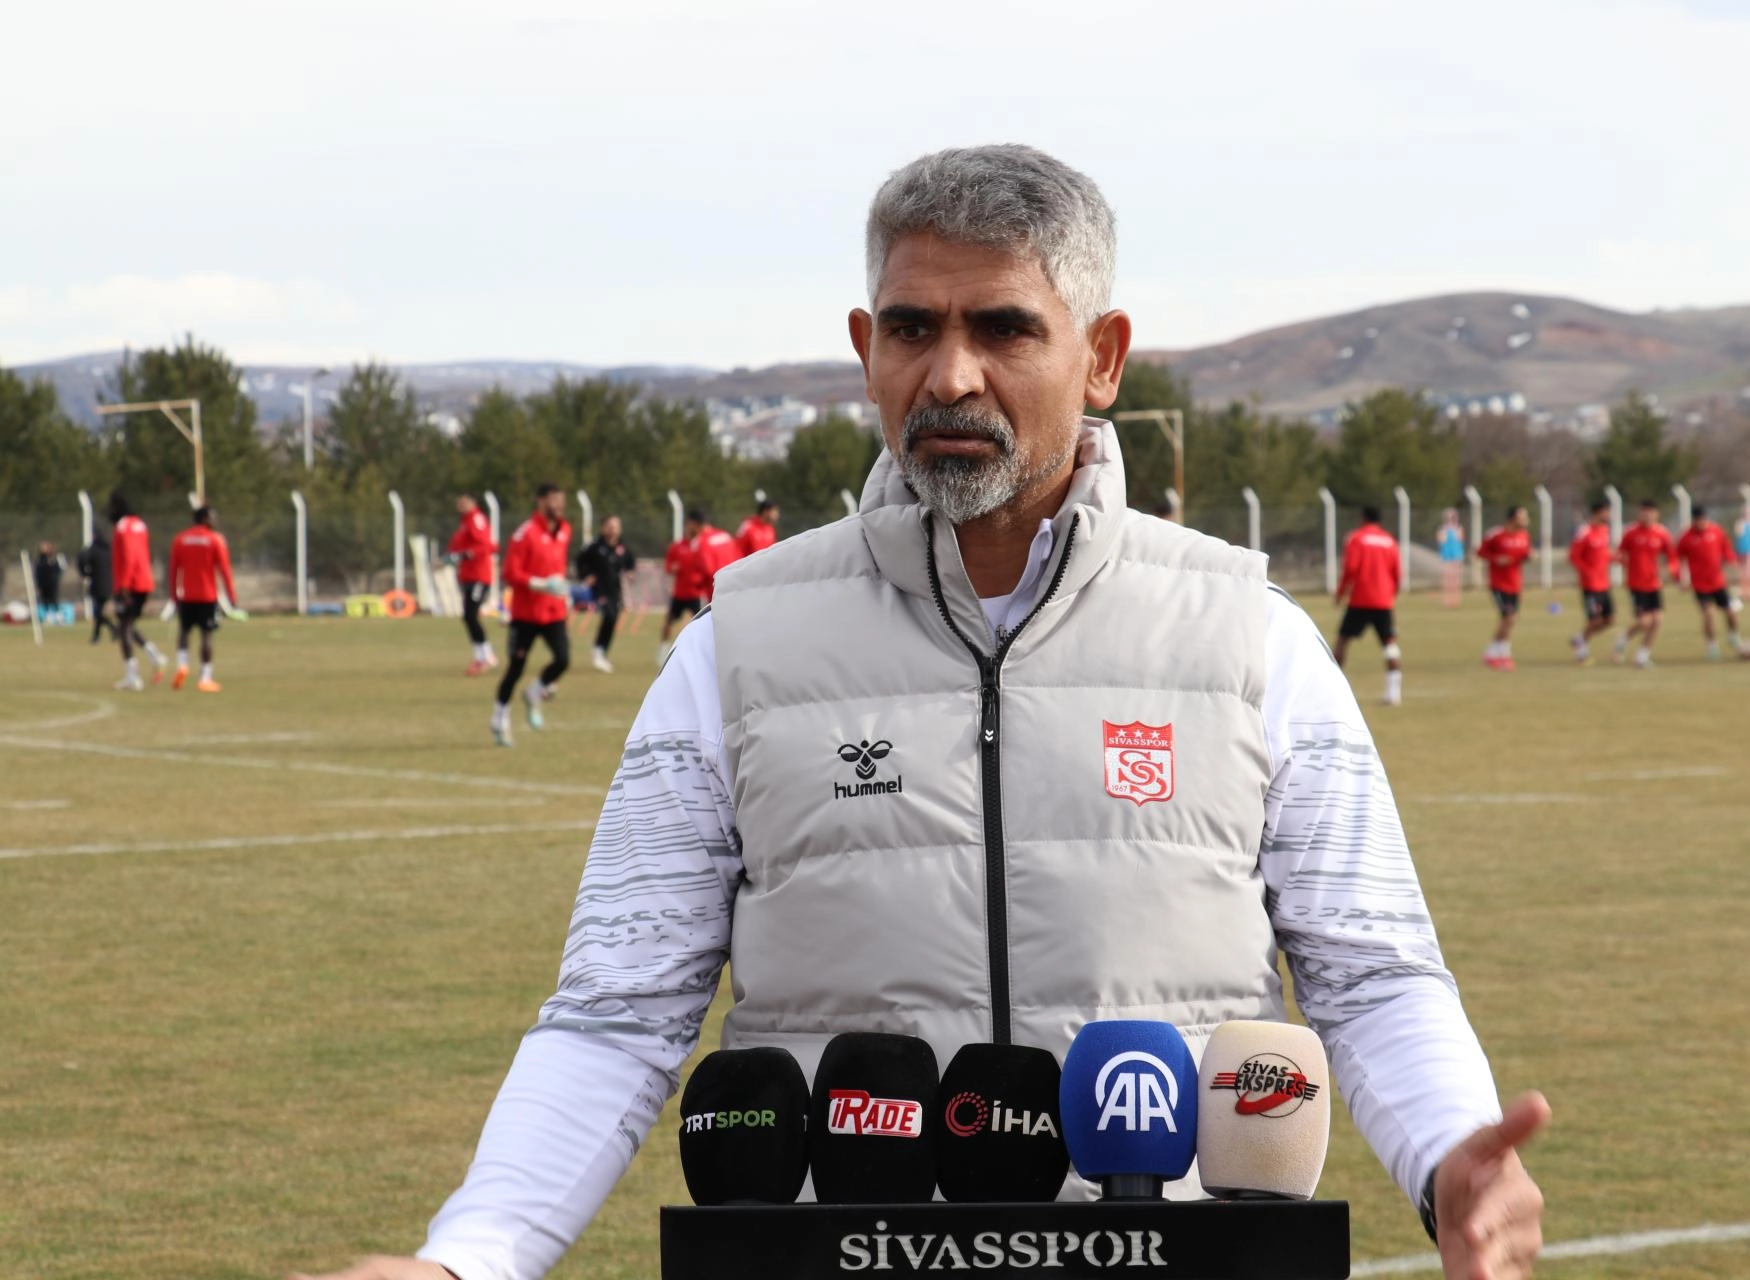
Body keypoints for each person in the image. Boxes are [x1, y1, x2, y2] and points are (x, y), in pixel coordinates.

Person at [295, 144, 1545, 1280]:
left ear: (1102, 356)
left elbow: (1374, 975)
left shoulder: (1250, 638)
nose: (950, 375)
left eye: (1004, 328)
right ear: (865, 348)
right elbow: (616, 1010)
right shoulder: (734, 648)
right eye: (911, 327)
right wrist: (467, 1257)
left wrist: (1451, 1156)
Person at [491, 485, 573, 746]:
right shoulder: (524, 534)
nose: (558, 505)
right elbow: (510, 573)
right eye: (553, 500)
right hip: (526, 614)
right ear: (540, 501)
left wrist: (562, 590)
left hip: (553, 611)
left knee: (563, 659)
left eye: (561, 501)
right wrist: (540, 583)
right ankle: (499, 719)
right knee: (515, 669)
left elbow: (558, 566)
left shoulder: (565, 530)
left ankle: (534, 692)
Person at [1333, 504, 1404, 705]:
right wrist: (1391, 595)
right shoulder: (1389, 541)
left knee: (1343, 641)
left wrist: (1341, 593)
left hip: (1360, 598)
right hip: (1383, 601)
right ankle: (1394, 693)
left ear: (1363, 518)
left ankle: (1332, 688)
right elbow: (1397, 573)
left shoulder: (1356, 538)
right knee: (1389, 643)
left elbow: (1350, 568)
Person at [166, 507, 237, 693]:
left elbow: (173, 569)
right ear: (205, 518)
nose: (216, 521)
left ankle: (182, 665)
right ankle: (205, 677)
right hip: (207, 595)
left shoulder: (180, 539)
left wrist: (174, 594)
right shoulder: (215, 539)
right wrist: (232, 596)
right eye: (213, 517)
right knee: (207, 635)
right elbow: (225, 570)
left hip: (186, 595)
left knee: (184, 631)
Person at [1675, 506, 1750, 661]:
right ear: (1694, 520)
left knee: (1731, 612)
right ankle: (1712, 646)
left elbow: (1726, 549)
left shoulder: (1716, 531)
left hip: (1718, 582)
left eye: (1703, 520)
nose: (1701, 523)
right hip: (1700, 585)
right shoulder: (1687, 537)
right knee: (1709, 614)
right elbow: (1678, 558)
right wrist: (1680, 578)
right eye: (1698, 520)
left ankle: (1733, 636)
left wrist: (1732, 562)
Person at [107, 492, 168, 690]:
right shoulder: (140, 524)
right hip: (144, 581)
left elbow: (129, 556)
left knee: (124, 627)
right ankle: (155, 656)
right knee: (128, 623)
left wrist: (124, 585)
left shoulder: (122, 527)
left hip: (130, 584)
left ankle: (132, 676)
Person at [1615, 499, 1677, 668]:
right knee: (1644, 622)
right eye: (1644, 512)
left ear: (1657, 514)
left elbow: (1671, 556)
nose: (1647, 515)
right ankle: (1624, 638)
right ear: (1639, 513)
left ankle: (1642, 655)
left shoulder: (1662, 533)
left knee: (1657, 620)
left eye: (1650, 512)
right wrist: (1625, 563)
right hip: (1636, 584)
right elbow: (1620, 553)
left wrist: (1670, 569)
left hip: (1654, 584)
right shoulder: (1630, 532)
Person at [575, 514, 635, 673]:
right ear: (603, 528)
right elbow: (580, 561)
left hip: (615, 590)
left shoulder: (622, 548)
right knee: (609, 615)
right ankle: (598, 651)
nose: (613, 530)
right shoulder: (595, 547)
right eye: (610, 526)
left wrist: (630, 573)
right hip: (599, 589)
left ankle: (600, 651)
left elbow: (630, 563)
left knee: (613, 618)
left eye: (616, 527)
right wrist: (586, 575)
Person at [447, 494, 499, 676]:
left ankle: (487, 656)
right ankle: (481, 656)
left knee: (470, 615)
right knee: (468, 617)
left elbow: (487, 546)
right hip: (467, 575)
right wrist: (448, 557)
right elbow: (457, 546)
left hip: (479, 575)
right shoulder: (465, 523)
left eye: (465, 502)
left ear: (473, 503)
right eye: (459, 503)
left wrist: (466, 554)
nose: (461, 505)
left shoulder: (476, 519)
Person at [1475, 505, 1531, 670]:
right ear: (1513, 518)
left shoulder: (1524, 536)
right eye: (1523, 517)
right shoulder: (1496, 534)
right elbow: (1480, 552)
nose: (1526, 520)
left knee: (1508, 621)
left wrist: (1528, 556)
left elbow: (1524, 555)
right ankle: (1504, 654)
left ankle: (1491, 652)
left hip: (1515, 584)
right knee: (1509, 618)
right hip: (1499, 584)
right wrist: (1496, 559)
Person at [658, 510, 713, 666]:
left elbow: (707, 568)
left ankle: (696, 653)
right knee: (668, 622)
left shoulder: (702, 545)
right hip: (679, 594)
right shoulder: (677, 546)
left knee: (698, 625)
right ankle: (662, 649)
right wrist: (673, 568)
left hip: (696, 593)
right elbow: (668, 566)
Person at [1566, 499, 1616, 665]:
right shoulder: (1584, 532)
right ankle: (1581, 652)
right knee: (1594, 620)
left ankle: (1579, 638)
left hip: (1604, 584)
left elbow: (1603, 554)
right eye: (1606, 512)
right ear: (1598, 513)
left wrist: (1615, 558)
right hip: (1590, 585)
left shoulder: (1604, 530)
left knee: (1609, 620)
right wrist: (1587, 572)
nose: (1609, 515)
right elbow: (1573, 557)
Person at [78, 528, 116, 644]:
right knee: (98, 611)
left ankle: (111, 630)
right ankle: (98, 636)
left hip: (98, 585)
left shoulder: (93, 550)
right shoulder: (109, 549)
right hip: (110, 584)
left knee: (97, 612)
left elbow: (81, 559)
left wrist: (85, 573)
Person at [1436, 508, 1465, 608]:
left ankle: (1456, 600)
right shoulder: (1442, 529)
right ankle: (1447, 600)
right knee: (1447, 578)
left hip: (1456, 554)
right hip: (1446, 555)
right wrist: (1445, 533)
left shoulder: (1459, 528)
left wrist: (1455, 530)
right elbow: (1440, 541)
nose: (1450, 520)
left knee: (1456, 579)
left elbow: (1460, 539)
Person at [31, 541, 66, 618]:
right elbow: (38, 571)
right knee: (44, 600)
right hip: (43, 583)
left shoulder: (54, 558)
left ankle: (58, 615)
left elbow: (60, 569)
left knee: (54, 599)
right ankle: (47, 615)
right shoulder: (40, 560)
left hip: (52, 583)